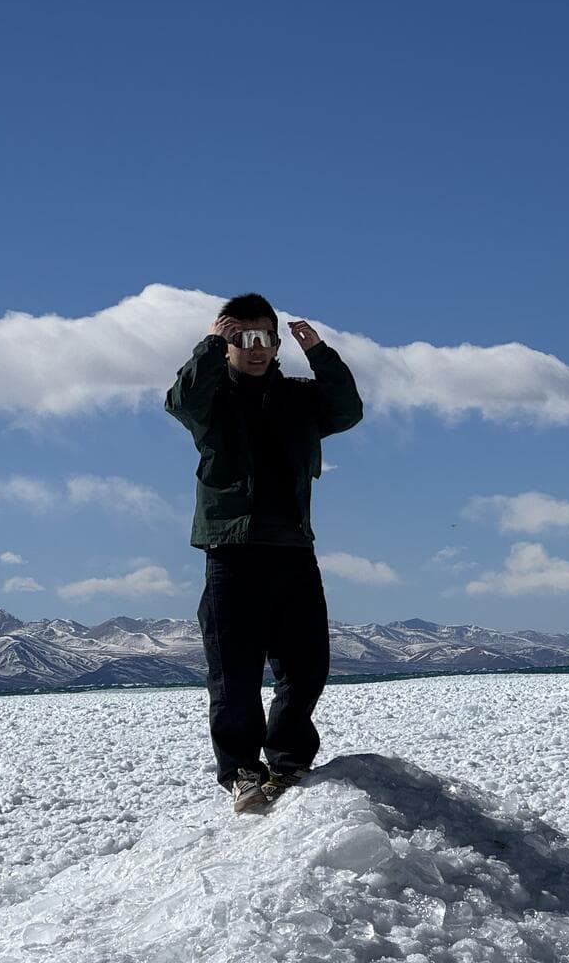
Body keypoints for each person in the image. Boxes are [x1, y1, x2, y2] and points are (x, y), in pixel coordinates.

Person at [164, 292, 364, 813]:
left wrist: (320, 352)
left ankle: (290, 761)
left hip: (293, 547)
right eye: (243, 338)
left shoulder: (299, 398)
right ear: (228, 342)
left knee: (307, 664)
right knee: (234, 670)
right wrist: (210, 343)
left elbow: (347, 410)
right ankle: (242, 772)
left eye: (264, 339)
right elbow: (179, 400)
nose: (254, 348)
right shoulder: (211, 401)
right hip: (231, 549)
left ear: (276, 345)